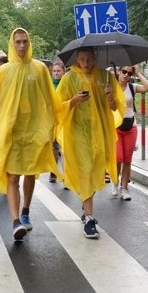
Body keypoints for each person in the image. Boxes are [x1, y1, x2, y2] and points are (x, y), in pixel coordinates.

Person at [0, 28, 59, 241]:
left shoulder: (40, 69)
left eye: (25, 41)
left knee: (30, 174)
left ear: (29, 43)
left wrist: (50, 131)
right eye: (18, 42)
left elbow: (49, 101)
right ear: (12, 44)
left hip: (33, 133)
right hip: (12, 133)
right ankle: (16, 221)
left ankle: (25, 210)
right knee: (13, 176)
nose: (22, 46)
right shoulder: (4, 71)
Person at [55, 46, 124, 238]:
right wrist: (74, 100)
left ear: (95, 58)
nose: (86, 63)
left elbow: (115, 107)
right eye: (82, 59)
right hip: (77, 132)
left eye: (90, 59)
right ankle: (89, 217)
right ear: (77, 59)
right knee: (85, 170)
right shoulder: (69, 78)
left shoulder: (105, 76)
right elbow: (58, 106)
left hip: (99, 132)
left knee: (94, 171)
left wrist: (110, 95)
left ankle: (86, 204)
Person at [112, 65, 148, 200]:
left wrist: (138, 73)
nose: (126, 75)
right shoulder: (111, 86)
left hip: (130, 126)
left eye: (129, 73)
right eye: (124, 72)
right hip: (115, 126)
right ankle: (115, 182)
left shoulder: (132, 87)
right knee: (118, 157)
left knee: (127, 160)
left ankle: (124, 188)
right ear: (118, 71)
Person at [49, 59, 66, 184]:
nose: (56, 73)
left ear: (63, 71)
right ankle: (54, 171)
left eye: (58, 71)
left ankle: (67, 176)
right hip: (52, 120)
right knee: (54, 147)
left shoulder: (67, 84)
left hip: (65, 119)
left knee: (65, 148)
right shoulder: (49, 84)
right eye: (54, 71)